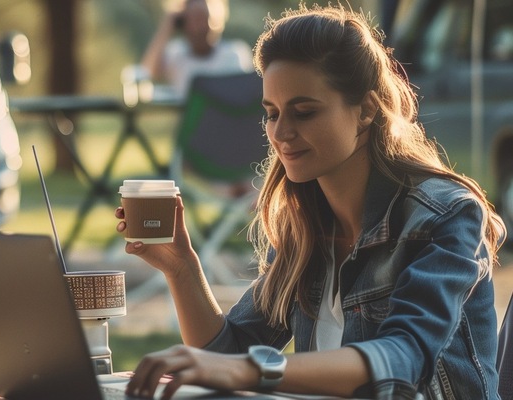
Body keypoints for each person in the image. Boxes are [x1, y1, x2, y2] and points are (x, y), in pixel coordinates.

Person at [115, 4, 506, 399]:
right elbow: (226, 356)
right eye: (271, 114)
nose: (281, 132)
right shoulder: (308, 226)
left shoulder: (445, 215)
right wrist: (182, 269)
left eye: (304, 112)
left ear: (366, 109)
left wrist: (249, 371)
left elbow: (403, 357)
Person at [139, 0, 253, 99]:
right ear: (183, 24)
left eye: (205, 17)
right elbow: (147, 73)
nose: (201, 27)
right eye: (194, 19)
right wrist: (167, 26)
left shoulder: (235, 54)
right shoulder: (176, 54)